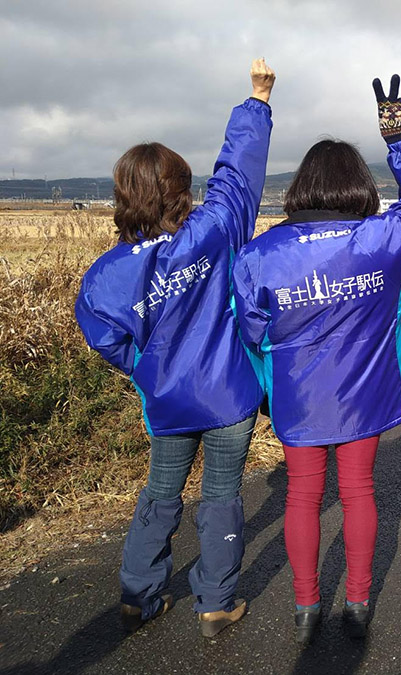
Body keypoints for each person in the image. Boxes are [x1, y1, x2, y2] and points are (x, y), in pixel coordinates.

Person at [231, 74, 401, 644]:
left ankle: (306, 609)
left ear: (302, 186)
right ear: (358, 186)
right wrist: (397, 135)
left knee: (303, 495)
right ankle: (356, 603)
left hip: (298, 397)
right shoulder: (384, 238)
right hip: (365, 393)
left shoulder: (261, 255)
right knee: (359, 492)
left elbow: (252, 330)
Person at [74, 59, 275, 637]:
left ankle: (139, 594)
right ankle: (215, 602)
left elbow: (105, 336)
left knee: (162, 492)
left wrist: (148, 367)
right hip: (228, 394)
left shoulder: (106, 276)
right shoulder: (210, 233)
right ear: (182, 191)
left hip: (168, 402)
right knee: (220, 496)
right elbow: (238, 176)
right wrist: (256, 100)